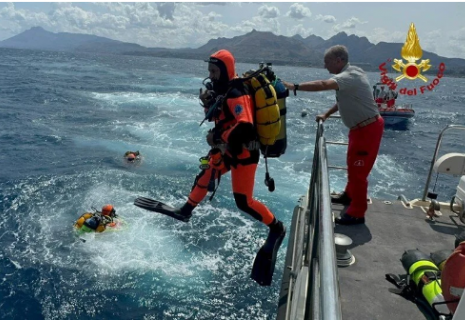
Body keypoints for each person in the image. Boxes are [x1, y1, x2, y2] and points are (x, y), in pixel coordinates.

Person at [134, 49, 286, 286]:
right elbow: (221, 117)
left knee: (243, 202)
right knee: (207, 170)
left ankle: (277, 228)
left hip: (243, 152)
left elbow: (244, 126)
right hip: (227, 149)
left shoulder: (236, 92)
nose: (211, 76)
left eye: (215, 71)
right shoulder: (223, 90)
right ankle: (185, 210)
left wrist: (218, 138)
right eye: (210, 71)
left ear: (226, 70)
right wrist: (208, 107)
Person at [282, 45, 384, 225]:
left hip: (368, 130)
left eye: (327, 62)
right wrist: (327, 114)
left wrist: (294, 86)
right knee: (353, 166)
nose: (325, 66)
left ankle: (357, 213)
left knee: (359, 172)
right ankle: (348, 196)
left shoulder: (350, 76)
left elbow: (323, 84)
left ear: (339, 60)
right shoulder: (350, 76)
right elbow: (345, 100)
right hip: (359, 129)